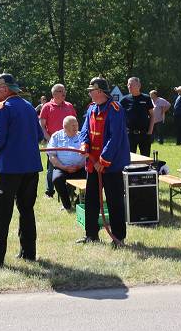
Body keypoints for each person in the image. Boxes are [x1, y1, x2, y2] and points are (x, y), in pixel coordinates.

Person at [0, 73, 45, 266]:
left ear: (4, 89)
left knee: (0, 213)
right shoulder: (29, 107)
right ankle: (28, 253)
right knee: (27, 211)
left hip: (9, 170)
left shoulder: (3, 108)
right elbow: (39, 136)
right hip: (31, 168)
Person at [78, 77, 130, 247]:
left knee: (115, 201)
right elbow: (85, 130)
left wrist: (103, 160)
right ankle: (91, 235)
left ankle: (118, 237)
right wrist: (84, 144)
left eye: (91, 91)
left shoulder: (115, 109)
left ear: (100, 91)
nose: (89, 94)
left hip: (110, 165)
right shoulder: (92, 108)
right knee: (91, 200)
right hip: (93, 164)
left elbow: (115, 138)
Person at [38, 84, 76, 197]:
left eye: (64, 91)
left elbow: (74, 123)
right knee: (51, 168)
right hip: (53, 143)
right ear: (54, 93)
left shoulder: (69, 106)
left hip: (69, 143)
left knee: (70, 165)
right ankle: (49, 192)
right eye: (60, 91)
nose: (64, 93)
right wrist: (50, 140)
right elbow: (42, 126)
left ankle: (71, 191)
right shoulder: (47, 107)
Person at [48, 115, 85, 211]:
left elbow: (88, 155)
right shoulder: (56, 136)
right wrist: (63, 167)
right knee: (56, 179)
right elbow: (52, 156)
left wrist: (80, 166)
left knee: (94, 178)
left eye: (76, 125)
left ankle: (79, 203)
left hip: (80, 168)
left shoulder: (82, 136)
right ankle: (67, 205)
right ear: (65, 127)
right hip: (62, 168)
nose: (76, 127)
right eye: (73, 125)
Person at [120, 77, 154, 156]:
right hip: (130, 135)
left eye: (131, 84)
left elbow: (152, 115)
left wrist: (150, 131)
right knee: (130, 158)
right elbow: (119, 116)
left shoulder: (146, 98)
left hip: (144, 134)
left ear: (139, 85)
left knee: (145, 158)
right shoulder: (125, 100)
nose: (129, 86)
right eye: (128, 84)